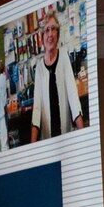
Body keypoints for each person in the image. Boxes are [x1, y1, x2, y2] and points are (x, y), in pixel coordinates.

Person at [29, 10, 82, 141]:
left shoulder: (64, 57)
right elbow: (37, 109)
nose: (50, 34)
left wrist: (83, 134)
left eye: (53, 29)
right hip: (48, 139)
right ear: (42, 38)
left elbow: (73, 97)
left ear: (58, 34)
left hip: (66, 135)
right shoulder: (40, 68)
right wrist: (32, 146)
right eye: (47, 30)